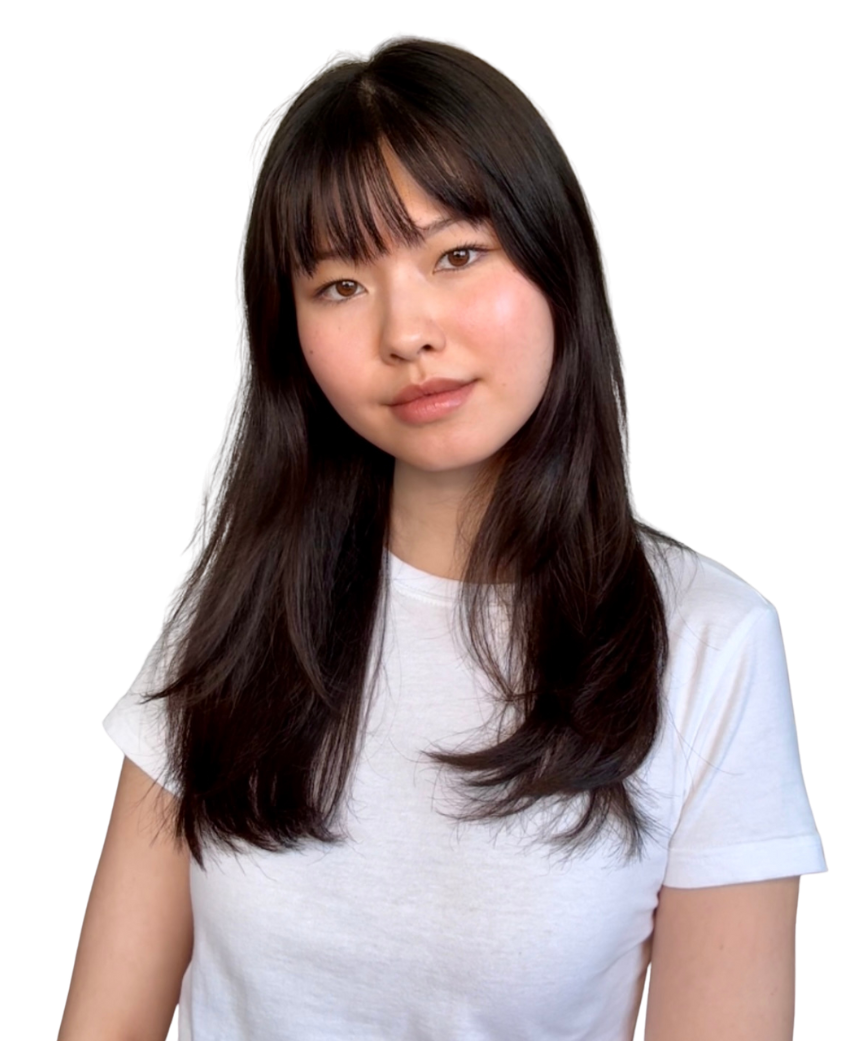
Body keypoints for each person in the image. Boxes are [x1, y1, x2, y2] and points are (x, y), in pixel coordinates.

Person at [58, 33, 828, 1041]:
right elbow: (104, 1025)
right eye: (340, 284)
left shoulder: (711, 640)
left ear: (557, 262)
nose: (405, 332)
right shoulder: (236, 606)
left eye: (456, 255)